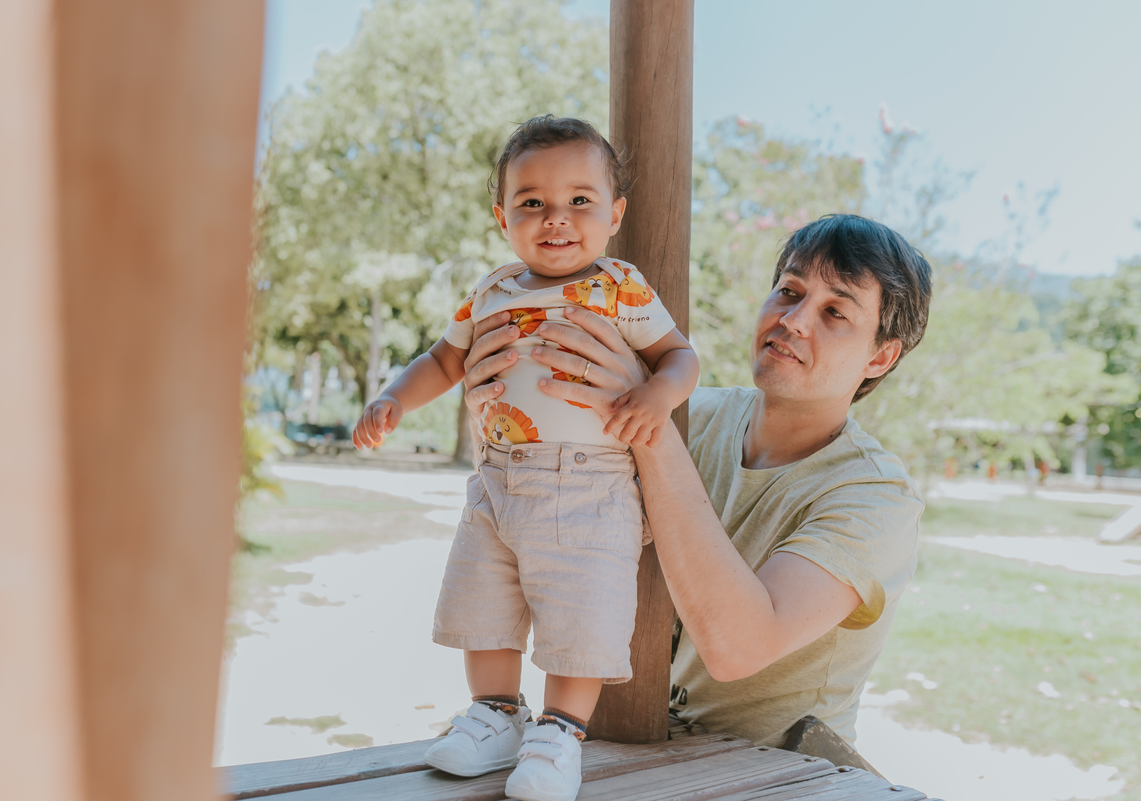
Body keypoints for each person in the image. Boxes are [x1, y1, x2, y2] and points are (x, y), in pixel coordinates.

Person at [463, 213, 932, 750]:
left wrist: (646, 423)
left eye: (835, 312)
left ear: (880, 356)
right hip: (634, 741)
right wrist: (497, 409)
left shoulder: (877, 499)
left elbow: (737, 648)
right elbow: (538, 517)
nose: (795, 320)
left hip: (775, 772)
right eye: (788, 290)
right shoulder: (698, 415)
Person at [352, 115, 699, 801]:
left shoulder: (620, 286)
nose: (556, 218)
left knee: (581, 607)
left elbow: (679, 356)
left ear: (615, 213)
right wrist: (393, 398)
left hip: (589, 484)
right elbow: (442, 359)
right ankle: (496, 714)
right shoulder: (491, 291)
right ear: (501, 217)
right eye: (532, 202)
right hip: (496, 480)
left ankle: (560, 732)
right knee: (485, 601)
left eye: (580, 200)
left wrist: (658, 395)